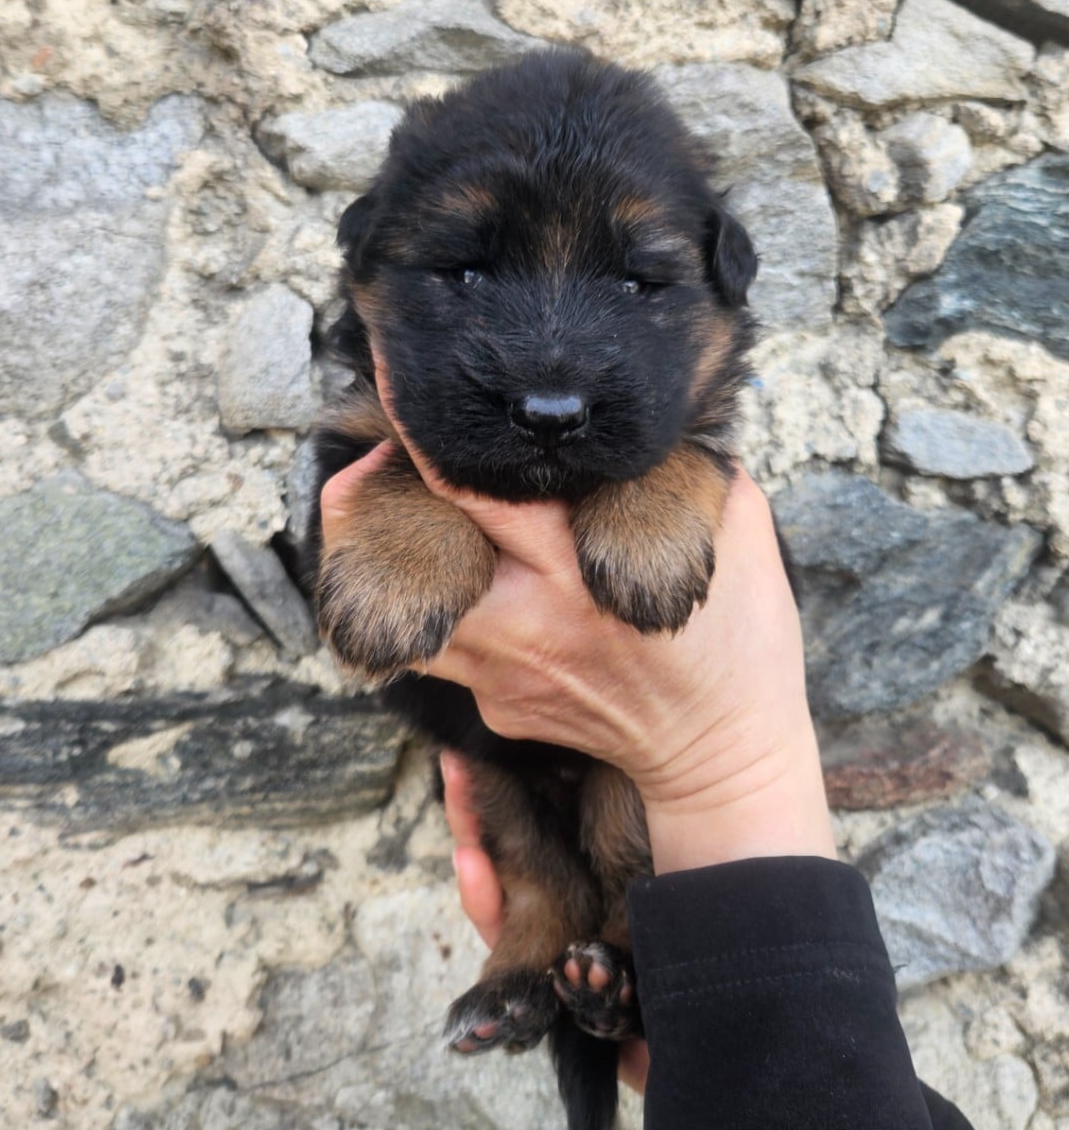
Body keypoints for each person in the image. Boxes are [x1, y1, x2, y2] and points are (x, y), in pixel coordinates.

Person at [320, 426, 975, 1129]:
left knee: (614, 830)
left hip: (633, 808)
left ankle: (601, 955)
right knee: (522, 835)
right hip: (508, 765)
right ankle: (548, 950)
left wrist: (713, 765)